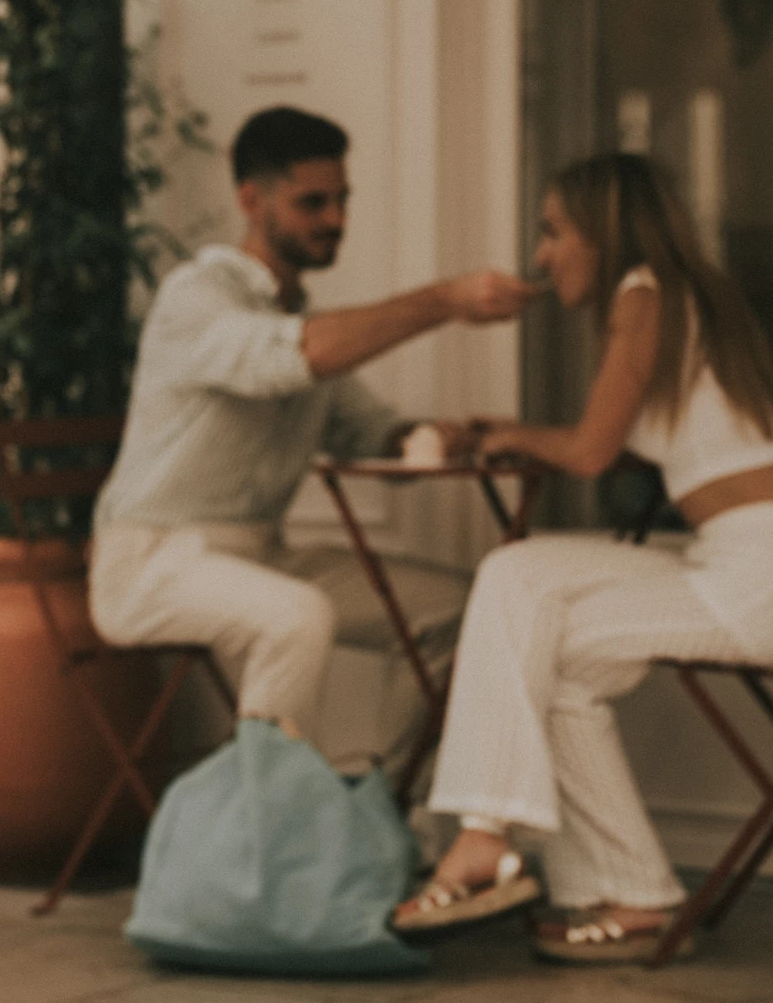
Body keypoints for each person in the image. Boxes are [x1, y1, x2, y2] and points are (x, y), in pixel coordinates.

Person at [391, 153, 773, 963]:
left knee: (515, 572)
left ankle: (480, 836)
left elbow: (593, 451)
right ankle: (635, 894)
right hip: (755, 564)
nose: (541, 255)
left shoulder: (644, 296)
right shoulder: (676, 299)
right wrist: (512, 434)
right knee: (552, 647)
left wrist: (503, 435)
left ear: (602, 235)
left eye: (552, 232)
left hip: (769, 579)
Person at [90, 105, 536, 773]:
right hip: (151, 562)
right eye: (313, 203)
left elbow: (367, 428)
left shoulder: (303, 318)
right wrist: (444, 300)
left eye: (343, 200)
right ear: (250, 200)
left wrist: (425, 437)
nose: (336, 219)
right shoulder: (198, 296)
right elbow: (290, 359)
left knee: (461, 606)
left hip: (259, 556)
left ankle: (374, 809)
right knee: (297, 617)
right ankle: (276, 842)